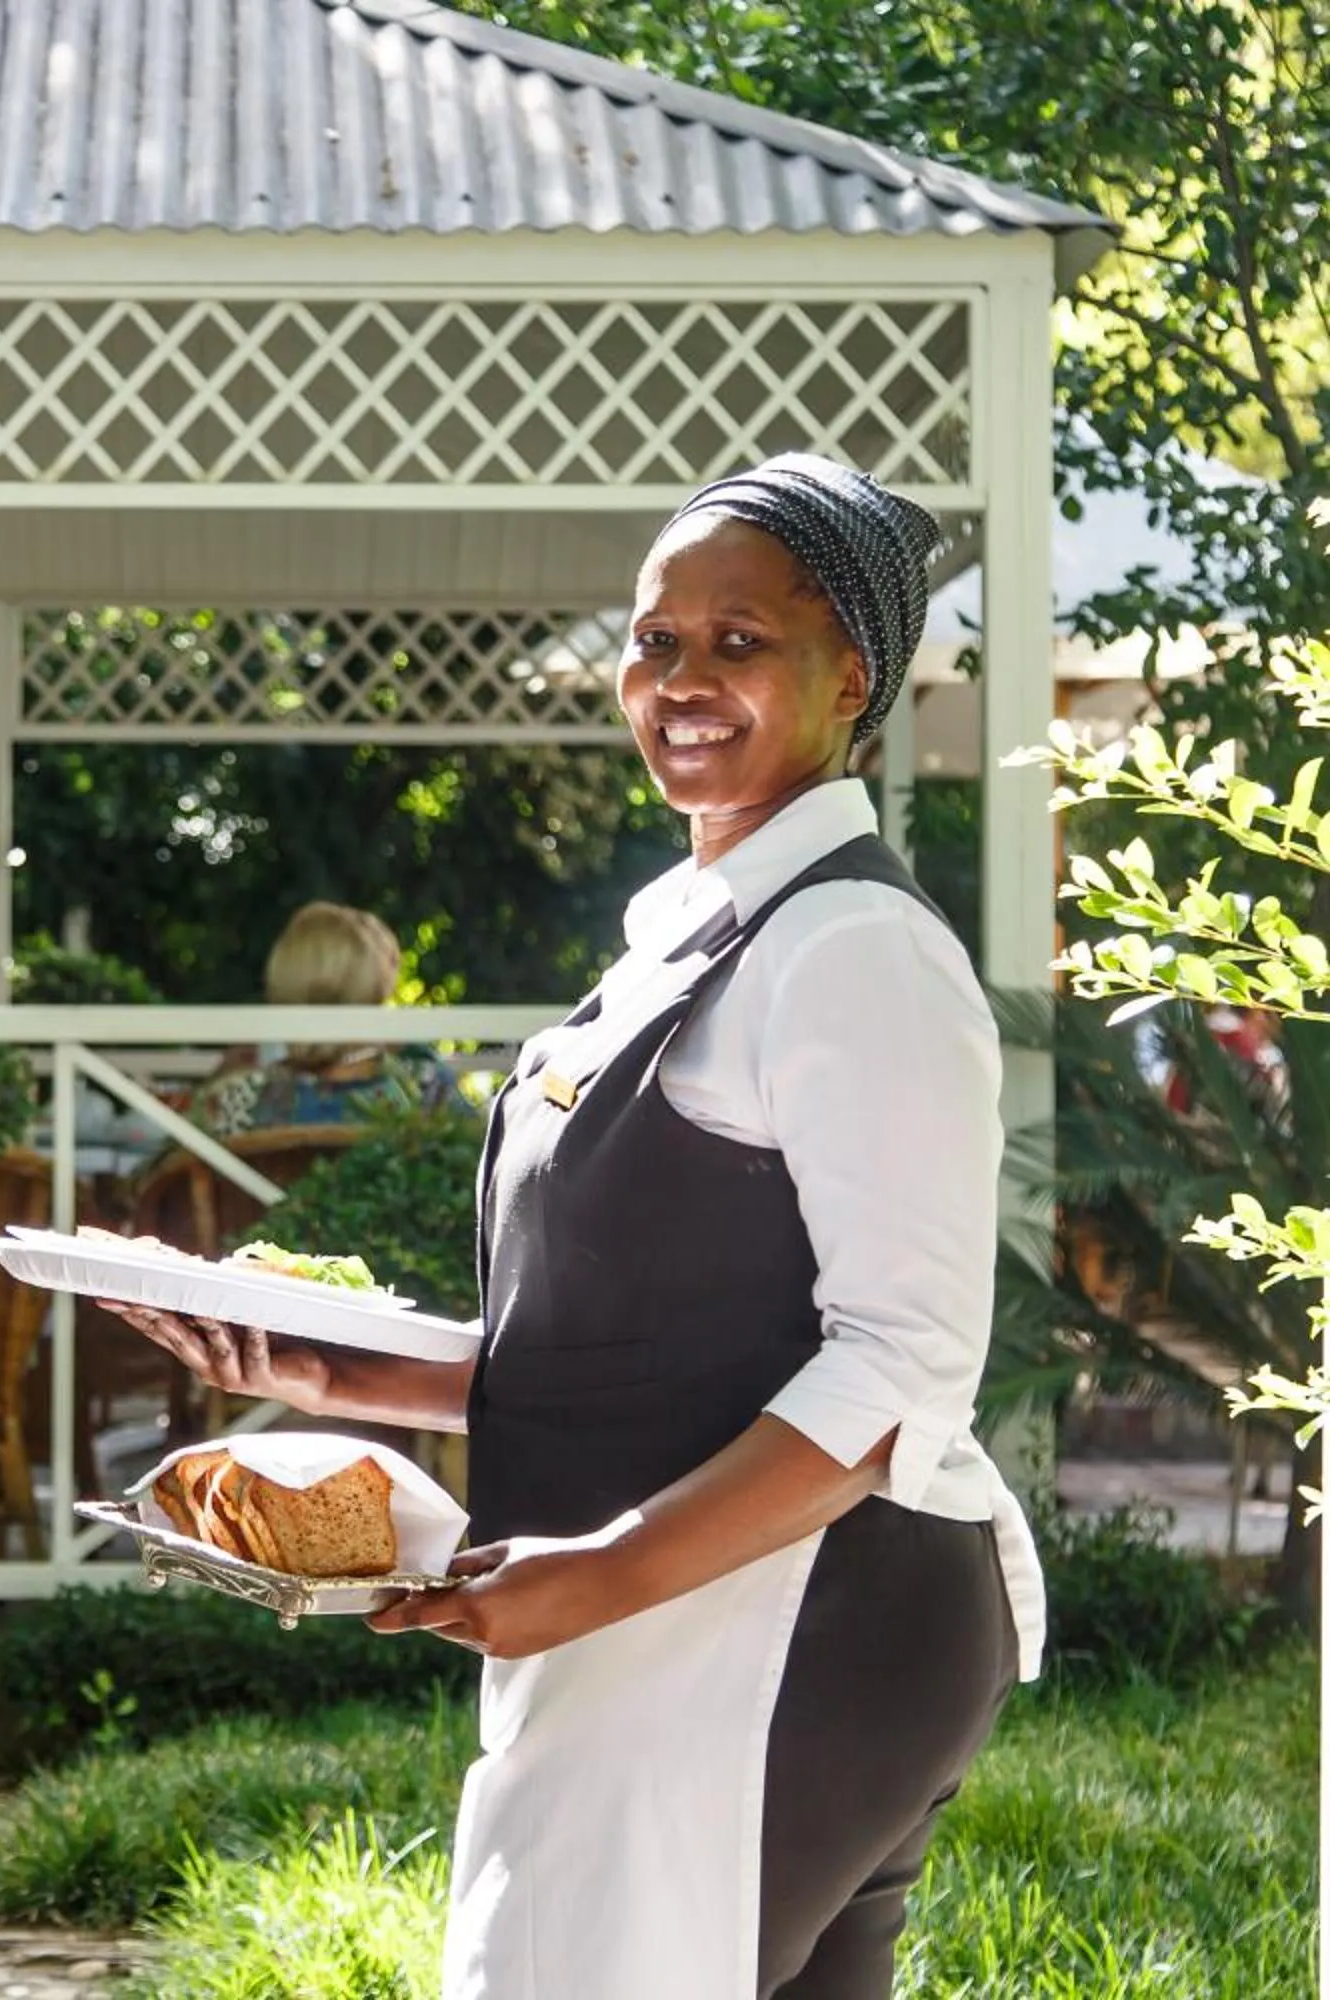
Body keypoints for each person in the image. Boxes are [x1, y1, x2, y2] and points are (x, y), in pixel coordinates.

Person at [106, 455, 1042, 2000]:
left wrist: (603, 1569)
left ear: (852, 679)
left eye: (738, 642)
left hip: (785, 1626)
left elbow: (902, 1369)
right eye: (653, 637)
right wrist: (364, 1374)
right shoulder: (695, 934)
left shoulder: (855, 948)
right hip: (684, 1615)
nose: (678, 679)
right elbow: (654, 1335)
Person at [191, 901, 459, 1134]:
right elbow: (480, 1167)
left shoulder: (237, 1096)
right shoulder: (423, 1085)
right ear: (374, 990)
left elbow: (168, 1176)